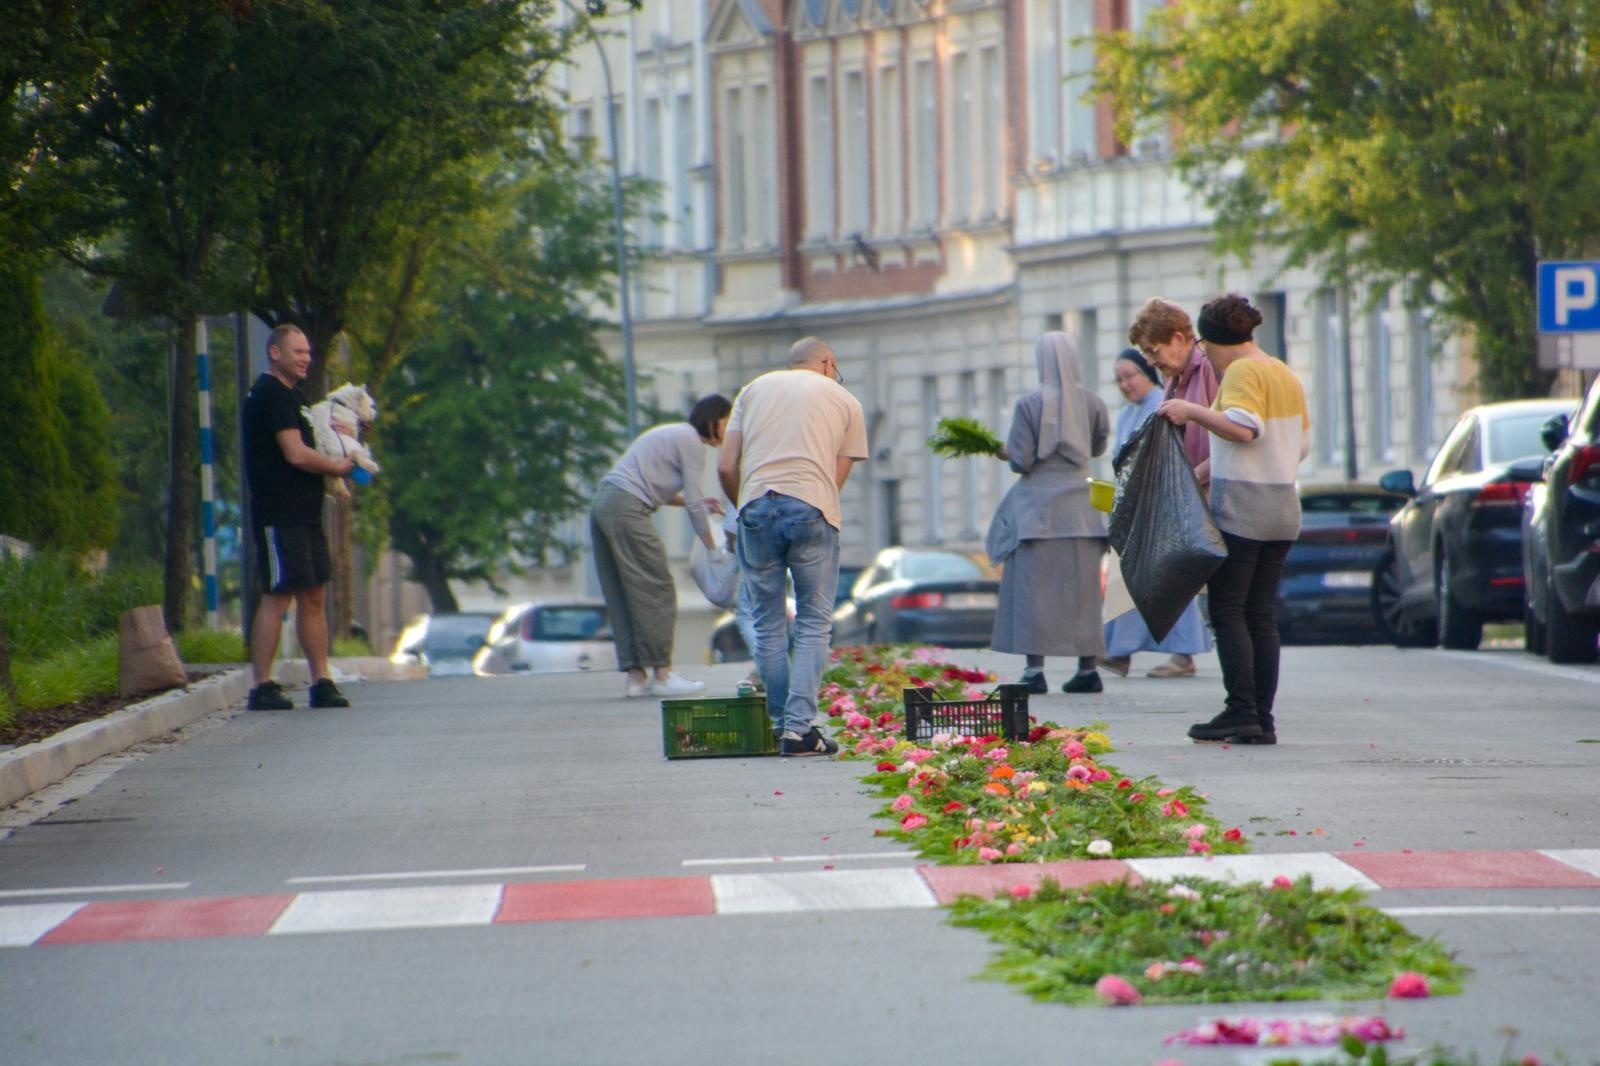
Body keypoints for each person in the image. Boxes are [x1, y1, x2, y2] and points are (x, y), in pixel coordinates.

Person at [1157, 293, 1309, 745]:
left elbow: (1244, 428)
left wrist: (1191, 411)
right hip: (1282, 507)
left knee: (1226, 610)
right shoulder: (1282, 372)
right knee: (1260, 614)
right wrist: (1203, 473)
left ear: (1209, 342)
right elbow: (1299, 443)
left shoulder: (1241, 371)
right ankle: (1262, 718)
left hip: (1243, 509)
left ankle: (1241, 710)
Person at [717, 337, 868, 756]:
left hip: (755, 505)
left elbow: (726, 466)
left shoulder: (753, 390)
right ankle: (799, 730)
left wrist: (745, 506)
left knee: (767, 624)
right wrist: (812, 506)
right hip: (811, 508)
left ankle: (784, 725)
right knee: (813, 622)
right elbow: (835, 479)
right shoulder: (844, 399)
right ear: (828, 362)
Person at [986, 332, 1110, 695]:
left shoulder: (1029, 404)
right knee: (1084, 595)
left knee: (1033, 594)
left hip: (1037, 511)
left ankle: (1034, 671)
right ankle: (1088, 670)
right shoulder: (1093, 403)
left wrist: (1003, 451)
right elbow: (1097, 447)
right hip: (1083, 509)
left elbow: (1022, 460)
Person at [243, 324, 357, 711]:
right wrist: (336, 468)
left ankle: (321, 681)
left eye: (308, 351)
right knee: (278, 596)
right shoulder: (269, 393)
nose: (306, 358)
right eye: (298, 352)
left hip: (306, 514)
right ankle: (262, 685)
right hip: (279, 513)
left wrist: (349, 436)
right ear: (275, 353)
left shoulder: (296, 396)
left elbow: (316, 442)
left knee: (314, 594)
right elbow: (295, 453)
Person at [591, 394, 732, 698]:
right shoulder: (692, 443)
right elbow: (694, 504)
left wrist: (697, 503)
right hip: (627, 509)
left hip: (605, 504)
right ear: (713, 420)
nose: (729, 430)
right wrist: (712, 548)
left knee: (623, 591)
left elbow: (657, 488)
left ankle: (636, 677)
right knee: (657, 587)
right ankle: (663, 673)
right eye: (727, 422)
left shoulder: (673, 433)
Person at [1098, 347, 1214, 679]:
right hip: (1133, 507)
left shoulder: (1160, 404)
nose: (1125, 384)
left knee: (1169, 580)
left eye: (1130, 376)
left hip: (1160, 504)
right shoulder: (1126, 413)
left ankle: (1182, 653)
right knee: (1127, 579)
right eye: (1119, 380)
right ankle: (1120, 651)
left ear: (1146, 373)